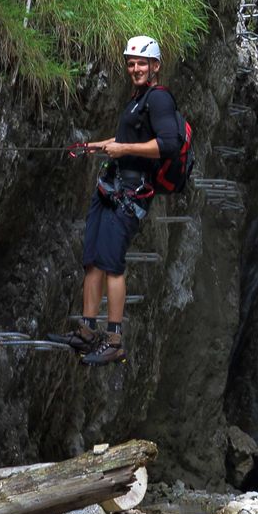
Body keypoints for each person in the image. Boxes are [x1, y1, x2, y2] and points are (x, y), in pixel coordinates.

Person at [64, 35, 182, 366]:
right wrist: (96, 146)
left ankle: (114, 340)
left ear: (155, 66)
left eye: (141, 63)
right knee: (93, 259)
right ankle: (87, 331)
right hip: (111, 186)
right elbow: (127, 139)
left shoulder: (159, 100)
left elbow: (168, 144)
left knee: (113, 264)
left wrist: (124, 150)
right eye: (131, 63)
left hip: (131, 193)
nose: (135, 68)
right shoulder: (138, 99)